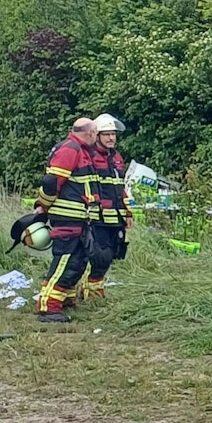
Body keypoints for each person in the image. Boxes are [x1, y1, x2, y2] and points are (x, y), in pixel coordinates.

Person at [35, 117, 99, 323]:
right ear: (89, 133)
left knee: (77, 262)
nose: (97, 138)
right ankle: (48, 306)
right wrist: (42, 206)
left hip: (80, 219)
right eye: (96, 134)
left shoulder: (82, 151)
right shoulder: (70, 149)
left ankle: (64, 301)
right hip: (68, 217)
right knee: (65, 261)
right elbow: (52, 182)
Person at [85, 113, 130, 300]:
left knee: (112, 254)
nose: (111, 138)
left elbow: (121, 188)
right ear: (97, 136)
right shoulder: (89, 156)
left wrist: (128, 213)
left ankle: (96, 289)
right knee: (99, 255)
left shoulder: (117, 158)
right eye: (106, 134)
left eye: (113, 134)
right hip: (97, 216)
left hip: (116, 217)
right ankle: (91, 292)